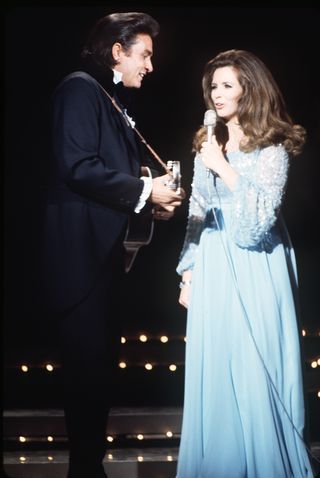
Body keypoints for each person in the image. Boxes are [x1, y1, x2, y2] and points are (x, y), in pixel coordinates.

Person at [41, 11, 184, 478]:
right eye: (143, 55)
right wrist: (146, 191)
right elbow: (77, 166)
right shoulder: (80, 89)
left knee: (98, 372)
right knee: (86, 374)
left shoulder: (109, 98)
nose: (149, 66)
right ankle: (86, 469)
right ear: (117, 52)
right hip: (79, 260)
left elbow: (110, 176)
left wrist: (150, 198)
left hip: (103, 259)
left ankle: (90, 467)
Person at [176, 49, 316, 477]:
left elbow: (256, 222)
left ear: (249, 89)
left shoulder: (272, 147)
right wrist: (189, 269)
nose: (216, 94)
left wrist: (225, 166)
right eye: (213, 86)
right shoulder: (207, 141)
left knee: (254, 366)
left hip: (256, 264)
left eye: (226, 85)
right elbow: (198, 210)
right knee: (216, 368)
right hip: (214, 264)